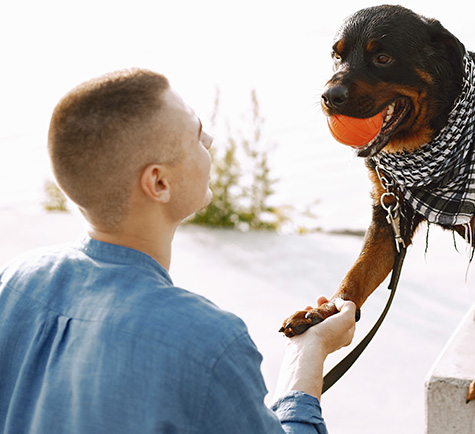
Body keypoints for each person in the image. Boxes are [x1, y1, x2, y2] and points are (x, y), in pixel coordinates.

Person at [0, 68, 356, 433]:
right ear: (158, 182)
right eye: (197, 133)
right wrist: (307, 354)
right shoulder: (207, 342)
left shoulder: (15, 281)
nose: (212, 140)